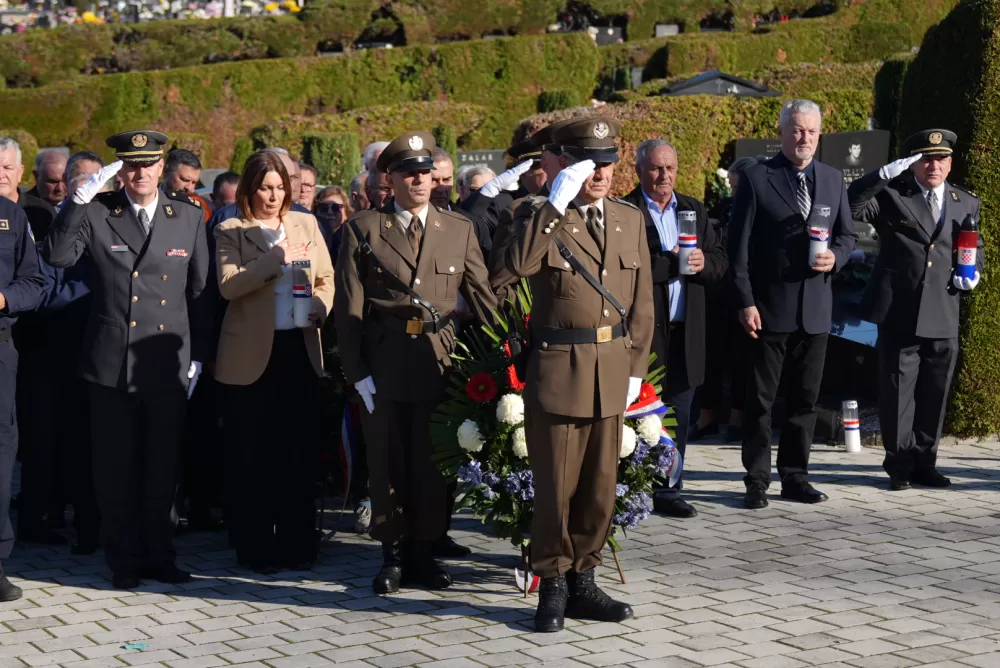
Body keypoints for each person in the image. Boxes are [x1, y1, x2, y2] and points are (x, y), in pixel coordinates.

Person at [43, 130, 211, 589]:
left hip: (165, 360)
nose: (140, 173)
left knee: (163, 466)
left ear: (162, 167)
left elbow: (200, 292)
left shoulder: (187, 216)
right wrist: (76, 203)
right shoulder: (99, 211)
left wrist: (199, 355)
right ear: (120, 170)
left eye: (149, 164)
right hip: (112, 361)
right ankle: (123, 558)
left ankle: (160, 553)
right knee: (115, 469)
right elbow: (57, 256)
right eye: (132, 165)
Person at [506, 118, 654, 633]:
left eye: (608, 163)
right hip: (559, 369)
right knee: (555, 487)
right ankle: (551, 583)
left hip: (611, 368)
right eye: (591, 164)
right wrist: (555, 203)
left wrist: (635, 368)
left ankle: (584, 581)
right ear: (568, 165)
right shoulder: (539, 216)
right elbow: (517, 265)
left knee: (600, 486)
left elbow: (642, 302)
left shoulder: (628, 218)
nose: (602, 174)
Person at [335, 131, 497, 595]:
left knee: (432, 461)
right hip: (384, 357)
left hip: (439, 357)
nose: (420, 181)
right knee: (387, 458)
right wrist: (356, 372)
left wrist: (508, 353)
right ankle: (392, 553)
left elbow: (483, 297)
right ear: (391, 179)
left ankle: (424, 551)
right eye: (409, 173)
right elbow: (348, 308)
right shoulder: (365, 228)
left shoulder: (457, 229)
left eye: (426, 172)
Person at [729, 100, 857, 510]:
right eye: (798, 130)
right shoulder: (757, 178)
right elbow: (737, 249)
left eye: (812, 132)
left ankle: (795, 476)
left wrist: (837, 256)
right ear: (782, 132)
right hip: (768, 310)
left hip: (815, 310)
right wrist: (746, 302)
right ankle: (756, 480)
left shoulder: (832, 178)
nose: (805, 138)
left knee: (805, 399)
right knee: (761, 401)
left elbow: (847, 235)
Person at [214, 150, 334, 572]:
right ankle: (256, 547)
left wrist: (319, 308)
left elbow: (326, 278)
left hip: (298, 350)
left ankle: (298, 545)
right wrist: (275, 258)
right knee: (254, 456)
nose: (273, 196)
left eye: (280, 187)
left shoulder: (306, 224)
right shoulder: (230, 230)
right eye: (265, 188)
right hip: (250, 356)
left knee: (297, 453)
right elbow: (229, 286)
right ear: (249, 189)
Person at [848, 129, 982, 491]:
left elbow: (975, 245)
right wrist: (882, 175)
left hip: (944, 308)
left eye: (940, 159)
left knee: (935, 393)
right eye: (925, 159)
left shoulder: (965, 202)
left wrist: (975, 271)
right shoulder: (893, 195)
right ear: (913, 164)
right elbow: (852, 205)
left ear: (950, 163)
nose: (933, 166)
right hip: (900, 311)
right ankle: (899, 466)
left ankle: (926, 463)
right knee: (898, 394)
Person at [623, 139, 727, 519]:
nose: (664, 175)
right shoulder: (626, 212)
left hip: (686, 332)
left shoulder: (692, 209)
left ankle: (668, 490)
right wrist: (671, 263)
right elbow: (628, 269)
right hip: (646, 336)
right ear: (639, 170)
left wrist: (702, 263)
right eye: (656, 168)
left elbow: (720, 260)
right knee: (639, 412)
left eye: (670, 168)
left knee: (679, 415)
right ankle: (629, 487)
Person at [691, 156, 760, 444]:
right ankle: (706, 416)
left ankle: (736, 417)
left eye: (737, 186)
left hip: (747, 291)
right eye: (730, 186)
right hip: (719, 290)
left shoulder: (759, 205)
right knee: (712, 356)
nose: (733, 192)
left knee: (741, 358)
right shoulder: (726, 206)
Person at [0, 178, 44, 602]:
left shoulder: (11, 215)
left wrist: (2, 298)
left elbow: (34, 282)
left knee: (1, 456)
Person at [314, 185, 352, 263]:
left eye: (336, 208)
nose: (330, 212)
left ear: (346, 212)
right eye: (324, 208)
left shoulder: (351, 238)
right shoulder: (310, 237)